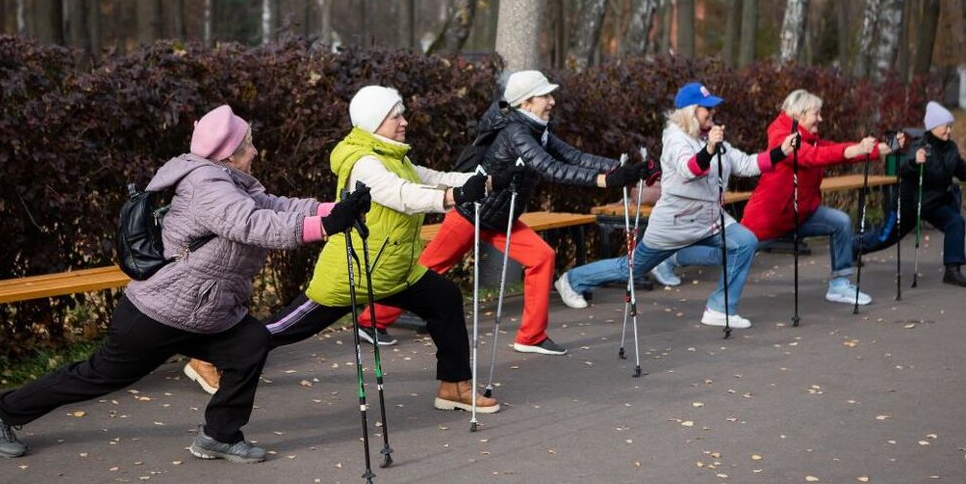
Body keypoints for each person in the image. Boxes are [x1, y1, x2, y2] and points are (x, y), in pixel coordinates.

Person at [0, 105, 368, 462]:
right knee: (97, 375)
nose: (256, 151)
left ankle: (220, 435)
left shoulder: (232, 181)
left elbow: (276, 207)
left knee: (250, 344)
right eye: (250, 144)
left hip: (207, 309)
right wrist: (325, 226)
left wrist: (334, 209)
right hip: (161, 310)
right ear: (229, 152)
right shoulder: (207, 186)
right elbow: (253, 225)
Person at [359, 70, 646, 356]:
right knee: (426, 270)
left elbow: (572, 156)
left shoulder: (537, 129)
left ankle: (531, 337)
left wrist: (620, 168)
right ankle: (370, 321)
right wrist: (605, 181)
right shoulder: (516, 132)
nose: (552, 101)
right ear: (526, 103)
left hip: (499, 217)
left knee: (542, 257)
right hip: (471, 212)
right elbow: (548, 168)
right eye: (544, 96)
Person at [264, 85, 502, 414]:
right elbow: (401, 195)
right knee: (282, 329)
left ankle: (454, 386)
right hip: (355, 271)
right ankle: (222, 355)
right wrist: (455, 198)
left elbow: (429, 177)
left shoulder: (393, 154)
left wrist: (487, 180)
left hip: (392, 269)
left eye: (402, 113)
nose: (404, 121)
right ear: (375, 121)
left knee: (445, 297)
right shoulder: (364, 162)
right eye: (396, 116)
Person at [556, 82, 797, 329]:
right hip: (675, 222)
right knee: (631, 268)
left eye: (712, 109)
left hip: (710, 219)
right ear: (690, 110)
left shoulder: (711, 135)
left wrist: (782, 151)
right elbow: (689, 169)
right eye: (707, 108)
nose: (712, 113)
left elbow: (746, 164)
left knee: (745, 242)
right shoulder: (675, 138)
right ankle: (572, 280)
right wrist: (710, 149)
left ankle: (719, 308)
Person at [739, 89, 900, 307]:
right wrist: (852, 151)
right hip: (769, 220)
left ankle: (840, 285)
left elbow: (832, 148)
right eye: (816, 113)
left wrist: (884, 148)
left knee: (840, 222)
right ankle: (686, 265)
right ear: (799, 115)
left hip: (803, 214)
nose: (820, 118)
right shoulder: (780, 137)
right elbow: (812, 157)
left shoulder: (810, 138)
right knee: (732, 254)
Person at [855, 101, 966, 287]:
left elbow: (965, 172)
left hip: (934, 204)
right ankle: (853, 247)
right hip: (909, 204)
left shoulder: (951, 148)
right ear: (933, 126)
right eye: (945, 126)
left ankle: (952, 270)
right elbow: (902, 168)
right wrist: (915, 163)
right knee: (883, 238)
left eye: (951, 126)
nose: (949, 131)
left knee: (955, 222)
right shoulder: (919, 146)